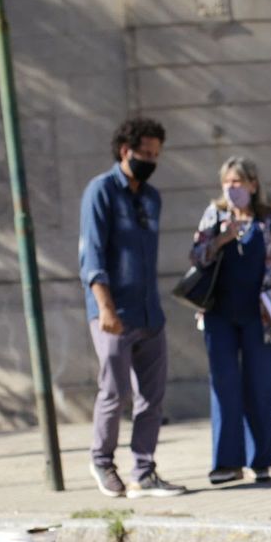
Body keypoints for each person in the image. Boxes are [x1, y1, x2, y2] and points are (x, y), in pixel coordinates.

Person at [78, 116, 186, 499]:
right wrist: (105, 308)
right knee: (114, 391)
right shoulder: (101, 191)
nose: (152, 160)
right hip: (113, 314)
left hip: (149, 314)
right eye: (145, 153)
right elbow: (91, 256)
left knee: (152, 398)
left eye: (157, 155)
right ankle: (102, 462)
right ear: (126, 151)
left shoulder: (152, 197)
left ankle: (145, 470)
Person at [188, 156, 271, 485]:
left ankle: (260, 461)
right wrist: (220, 239)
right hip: (219, 315)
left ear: (253, 185)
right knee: (224, 387)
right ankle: (226, 462)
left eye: (238, 182)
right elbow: (196, 256)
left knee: (259, 386)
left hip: (262, 316)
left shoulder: (268, 221)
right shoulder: (214, 216)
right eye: (227, 182)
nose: (232, 188)